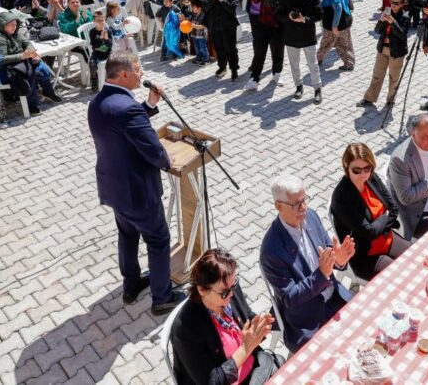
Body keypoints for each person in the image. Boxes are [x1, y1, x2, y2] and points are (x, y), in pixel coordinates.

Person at [88, 52, 185, 316]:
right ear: (123, 74)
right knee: (158, 238)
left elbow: (124, 125)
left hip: (114, 187)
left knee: (128, 235)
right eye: (138, 69)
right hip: (137, 190)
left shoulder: (98, 102)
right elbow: (153, 151)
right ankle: (162, 298)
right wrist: (167, 160)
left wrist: (149, 106)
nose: (141, 74)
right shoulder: (126, 108)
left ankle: (131, 285)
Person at [259, 174, 356, 352]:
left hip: (335, 297)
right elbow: (290, 298)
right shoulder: (271, 250)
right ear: (278, 206)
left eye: (304, 200)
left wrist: (338, 259)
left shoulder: (310, 216)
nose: (303, 208)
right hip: (308, 319)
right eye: (296, 204)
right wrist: (322, 274)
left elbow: (328, 252)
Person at [169, 248, 283, 385]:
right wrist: (245, 348)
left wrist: (259, 325)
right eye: (224, 292)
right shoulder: (186, 329)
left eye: (233, 285)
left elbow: (246, 316)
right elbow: (212, 381)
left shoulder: (229, 290)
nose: (231, 294)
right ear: (201, 290)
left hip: (253, 370)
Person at [329, 142, 412, 281]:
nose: (363, 174)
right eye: (356, 170)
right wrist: (384, 217)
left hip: (386, 238)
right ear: (346, 168)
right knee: (399, 276)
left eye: (367, 168)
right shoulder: (342, 197)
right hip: (365, 254)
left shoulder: (371, 177)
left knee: (416, 257)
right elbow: (368, 232)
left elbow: (394, 208)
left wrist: (379, 224)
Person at [0, 11, 61, 116]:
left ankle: (48, 91)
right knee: (28, 75)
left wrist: (30, 50)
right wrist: (22, 56)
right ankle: (32, 104)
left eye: (15, 24)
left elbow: (27, 42)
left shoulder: (15, 33)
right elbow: (1, 59)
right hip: (4, 69)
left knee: (41, 67)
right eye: (11, 24)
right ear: (3, 24)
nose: (14, 26)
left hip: (19, 63)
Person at [243, 0, 291, 91]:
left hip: (278, 24)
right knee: (259, 51)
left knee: (278, 51)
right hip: (263, 22)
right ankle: (254, 79)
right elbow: (256, 0)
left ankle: (277, 74)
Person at [276, 0, 323, 103]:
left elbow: (319, 15)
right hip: (291, 36)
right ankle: (298, 87)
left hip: (308, 35)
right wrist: (288, 16)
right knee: (294, 64)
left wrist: (305, 19)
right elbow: (278, 14)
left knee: (313, 64)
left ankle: (317, 89)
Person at [358, 0, 409, 108]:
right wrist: (381, 21)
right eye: (391, 2)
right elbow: (377, 31)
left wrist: (393, 23)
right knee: (377, 75)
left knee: (393, 78)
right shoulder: (387, 12)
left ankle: (391, 100)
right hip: (383, 49)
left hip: (396, 52)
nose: (393, 5)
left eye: (396, 3)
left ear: (402, 4)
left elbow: (402, 35)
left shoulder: (405, 17)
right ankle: (369, 98)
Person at [204, 0, 240, 80]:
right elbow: (205, 8)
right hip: (215, 26)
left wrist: (221, 0)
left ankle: (234, 69)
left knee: (231, 49)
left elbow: (232, 8)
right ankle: (222, 67)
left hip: (228, 26)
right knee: (219, 48)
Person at [317, 0, 355, 71]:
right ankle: (349, 64)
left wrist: (334, 26)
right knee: (346, 44)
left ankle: (317, 60)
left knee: (326, 43)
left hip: (333, 26)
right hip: (344, 24)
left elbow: (338, 9)